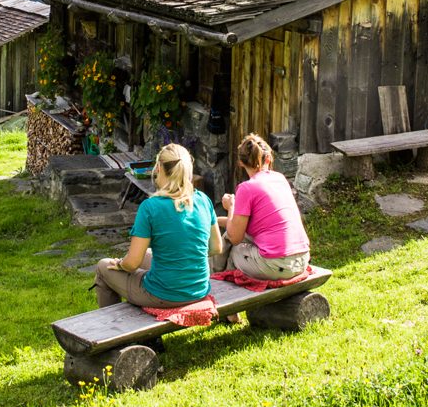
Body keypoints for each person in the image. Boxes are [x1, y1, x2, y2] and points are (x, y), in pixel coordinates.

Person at [94, 143, 223, 308]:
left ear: (159, 169)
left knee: (104, 267)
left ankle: (113, 330)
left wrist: (120, 264)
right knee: (148, 254)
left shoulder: (150, 207)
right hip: (199, 289)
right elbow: (216, 248)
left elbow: (132, 263)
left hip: (163, 295)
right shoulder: (204, 200)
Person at [214, 132, 310, 280]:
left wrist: (231, 206)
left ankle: (218, 282)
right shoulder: (280, 179)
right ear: (269, 158)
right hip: (302, 259)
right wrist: (213, 221)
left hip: (276, 264)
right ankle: (214, 275)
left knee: (235, 249)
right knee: (236, 237)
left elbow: (235, 237)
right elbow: (244, 227)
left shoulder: (246, 188)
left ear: (240, 162)